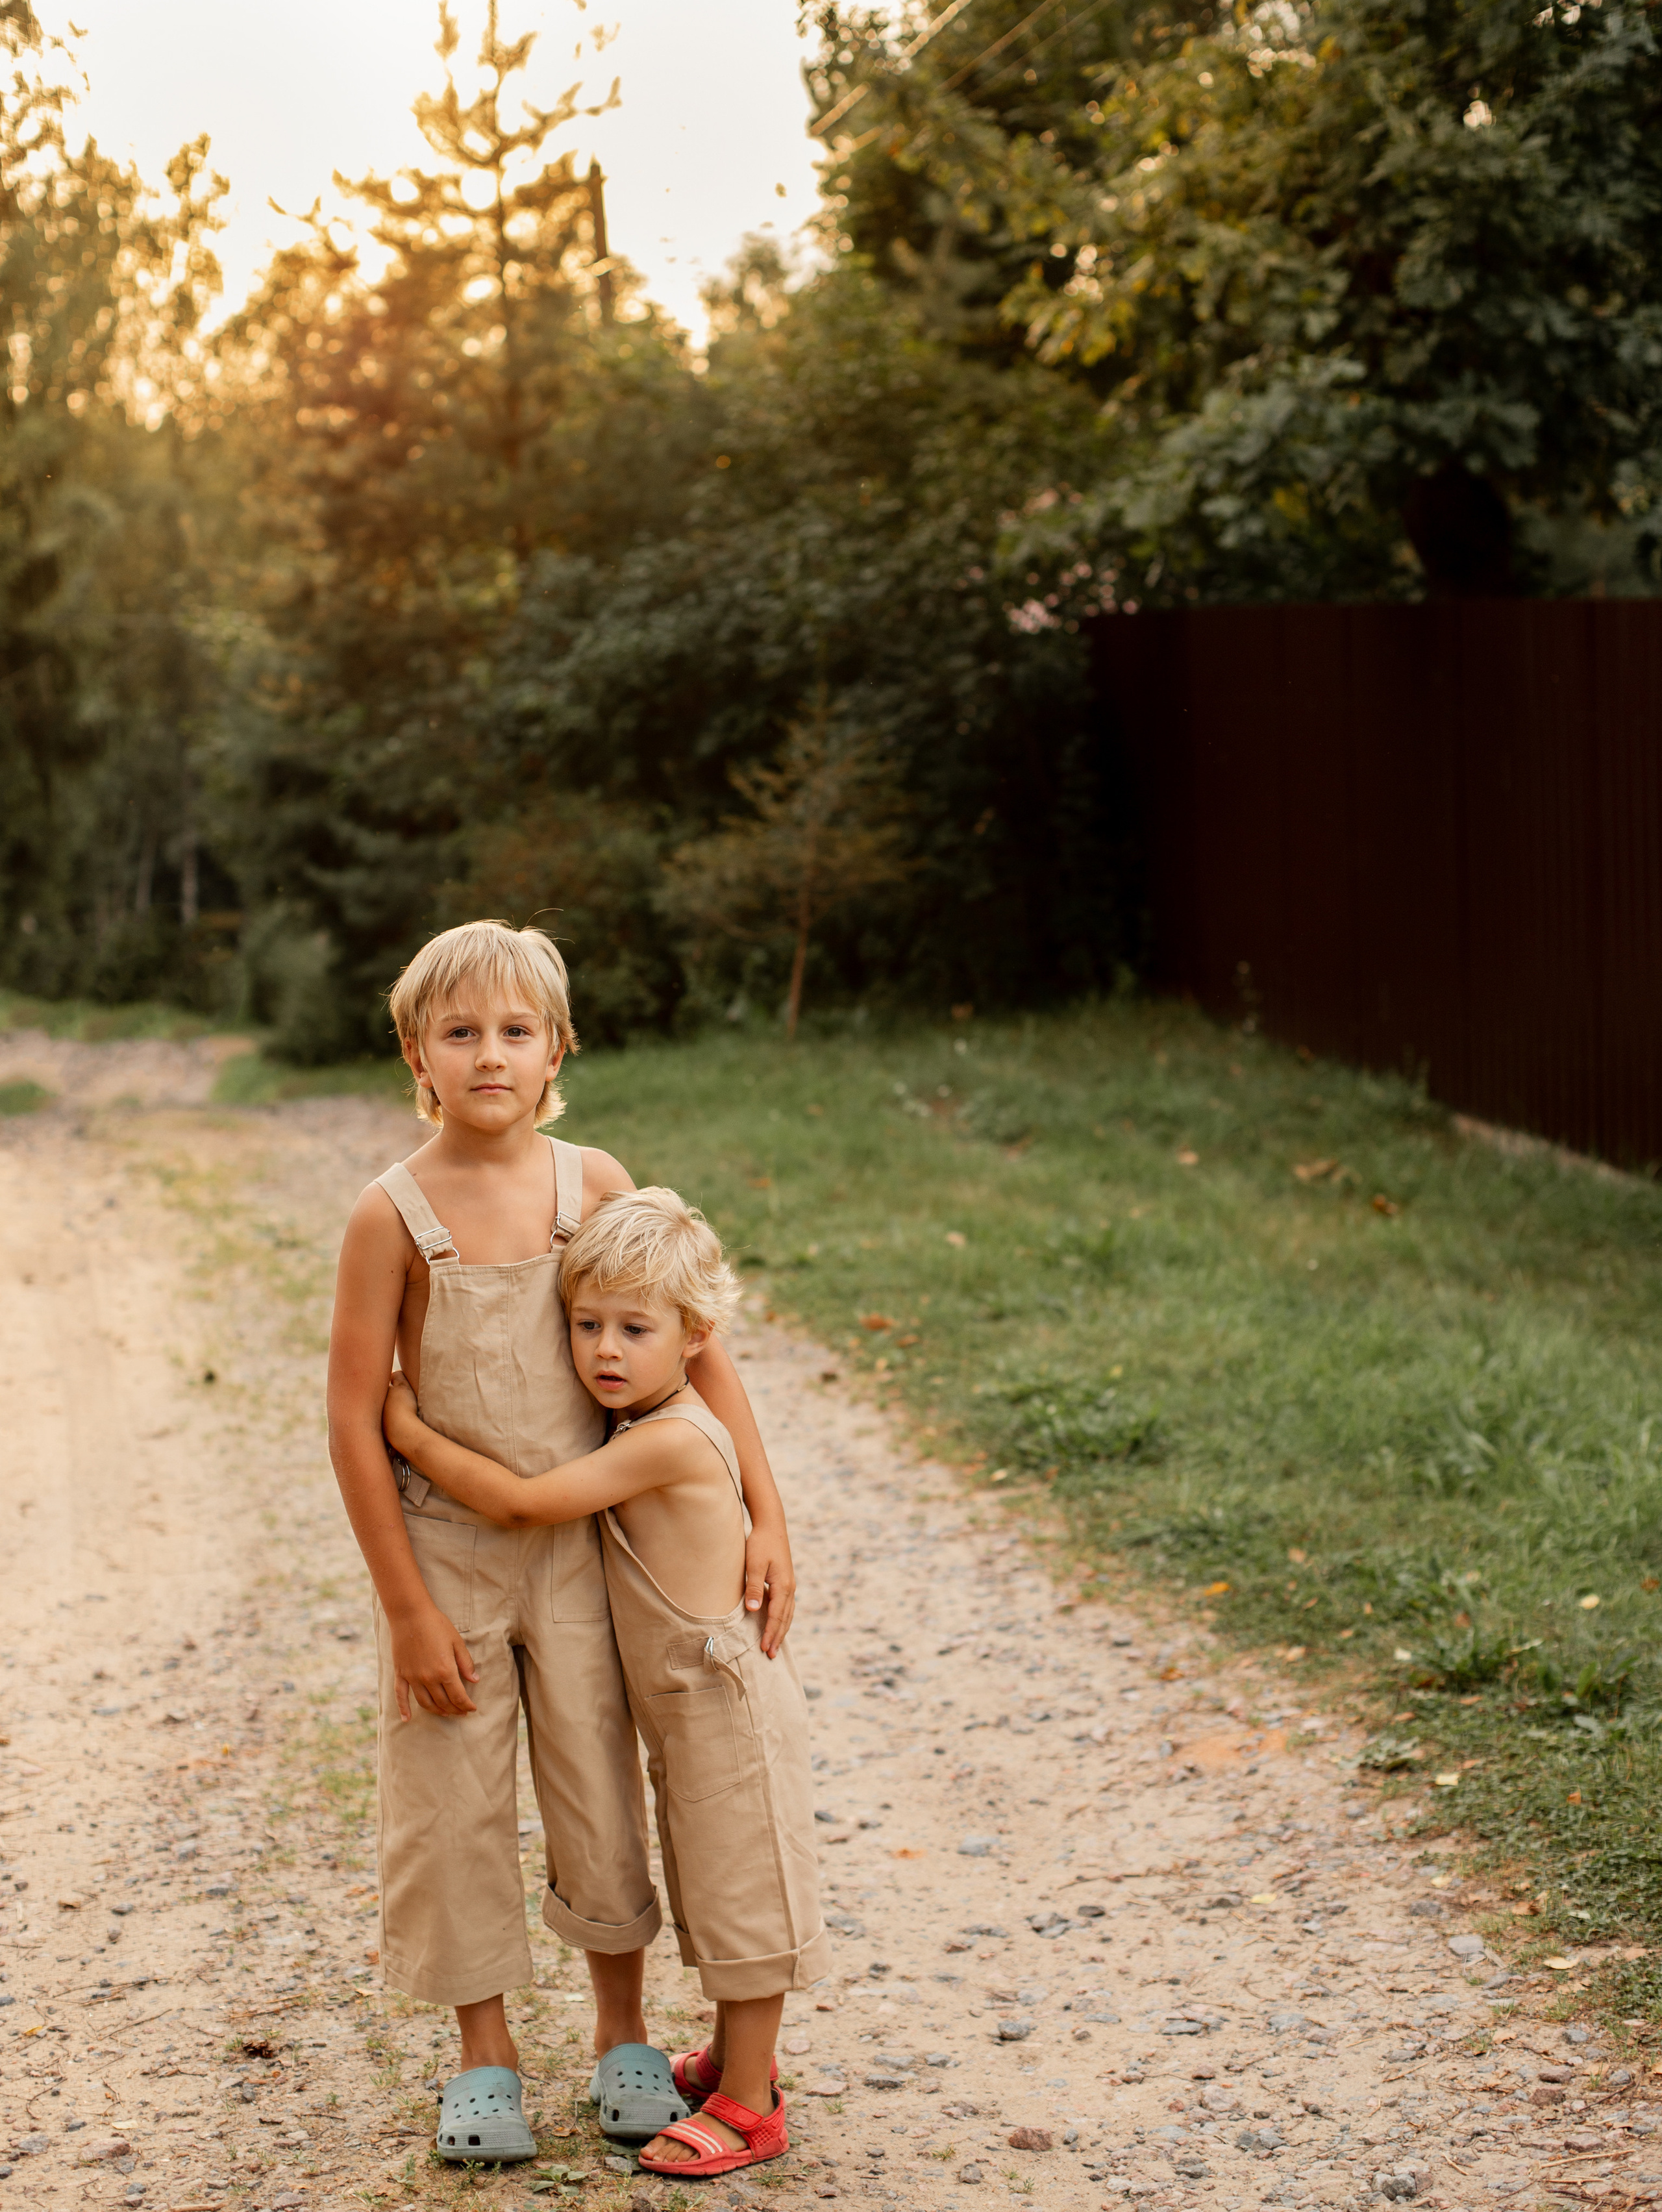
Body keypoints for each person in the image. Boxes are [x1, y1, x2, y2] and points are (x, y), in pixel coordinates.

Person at [325, 920, 797, 2161]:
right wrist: (409, 1609)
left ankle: (622, 2036)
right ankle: (483, 2056)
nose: (491, 1055)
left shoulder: (592, 1184)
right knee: (452, 1797)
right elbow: (350, 1415)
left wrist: (768, 1510)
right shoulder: (390, 1214)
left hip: (584, 1551)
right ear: (416, 1056)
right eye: (461, 1033)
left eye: (516, 1033)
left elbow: (696, 1345)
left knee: (596, 1779)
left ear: (557, 1052)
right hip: (448, 1560)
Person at [382, 1183, 829, 2180]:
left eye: (634, 1329)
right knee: (713, 1884)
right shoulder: (646, 1423)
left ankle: (752, 2104)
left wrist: (408, 1434)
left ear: (694, 1335)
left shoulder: (667, 1440)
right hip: (684, 1704)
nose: (605, 1353)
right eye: (585, 1326)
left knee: (745, 1894)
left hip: (720, 1698)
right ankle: (729, 2059)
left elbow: (525, 1501)